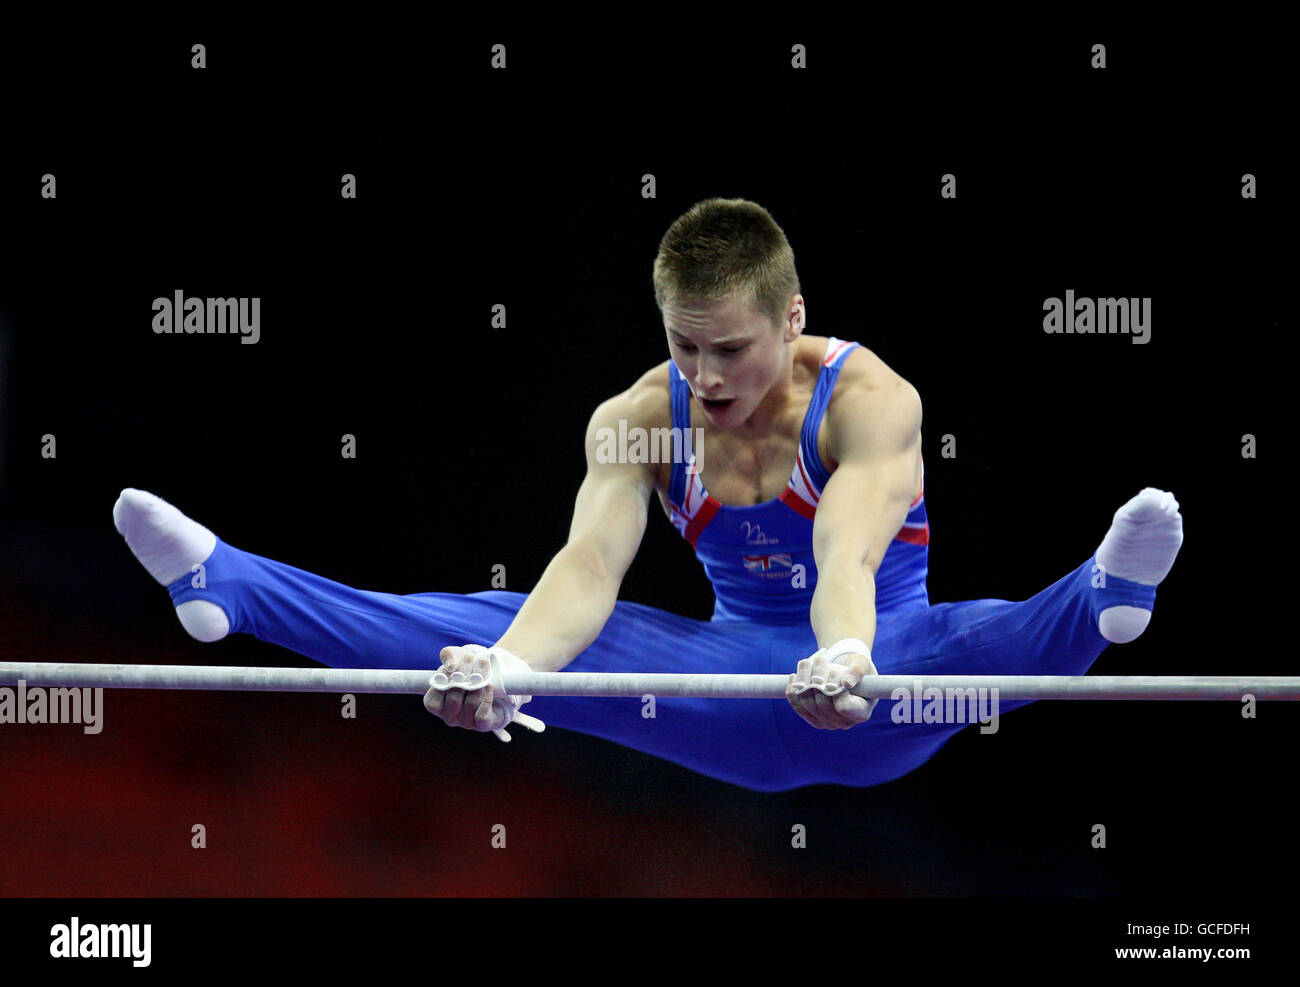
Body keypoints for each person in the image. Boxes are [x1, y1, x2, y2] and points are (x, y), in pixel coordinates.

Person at [112, 198, 1183, 792]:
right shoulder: (635, 415)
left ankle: (1096, 598)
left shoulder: (869, 398)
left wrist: (846, 661)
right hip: (726, 693)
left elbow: (847, 558)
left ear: (792, 316)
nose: (707, 377)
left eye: (732, 349)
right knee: (491, 624)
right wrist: (515, 670)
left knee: (971, 641)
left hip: (876, 677)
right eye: (684, 346)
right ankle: (231, 584)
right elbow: (588, 565)